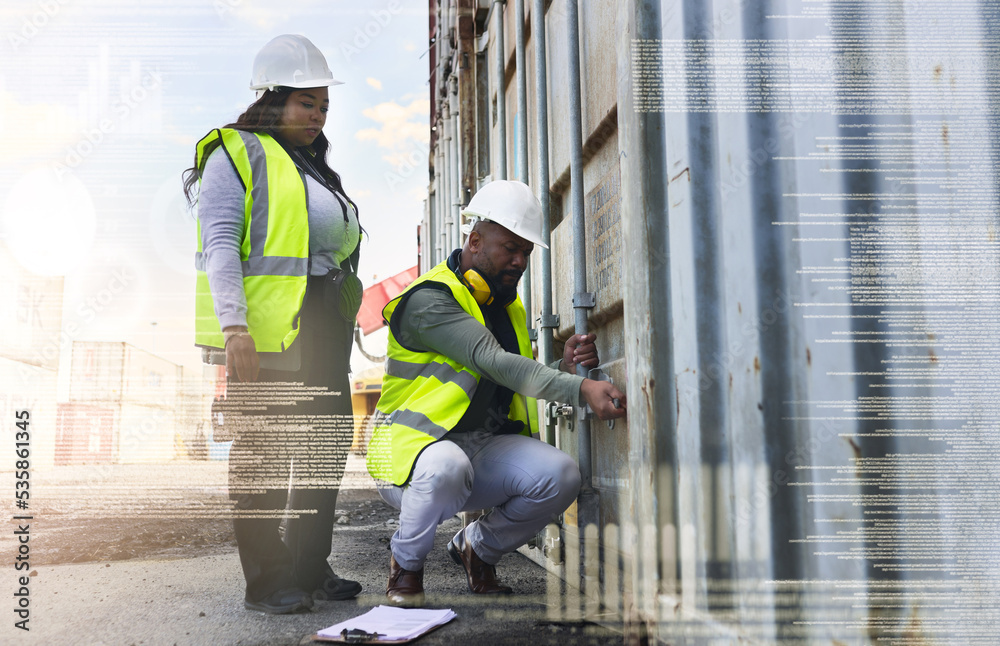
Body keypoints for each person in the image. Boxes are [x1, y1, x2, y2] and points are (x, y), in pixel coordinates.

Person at [366, 179, 627, 606]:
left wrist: (562, 367)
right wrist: (579, 388)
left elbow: (504, 380)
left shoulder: (506, 304)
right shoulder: (430, 300)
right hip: (408, 451)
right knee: (445, 465)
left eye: (525, 251)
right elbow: (493, 361)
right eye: (510, 248)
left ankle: (477, 548)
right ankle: (406, 567)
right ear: (474, 240)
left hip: (477, 448)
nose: (520, 261)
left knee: (560, 476)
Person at [183, 34, 363, 614]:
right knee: (264, 454)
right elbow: (220, 245)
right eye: (306, 102)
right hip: (266, 329)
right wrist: (235, 328)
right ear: (271, 98)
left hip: (323, 321)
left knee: (322, 447)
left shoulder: (310, 166)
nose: (318, 114)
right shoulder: (234, 152)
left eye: (324, 105)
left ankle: (309, 567)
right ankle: (267, 580)